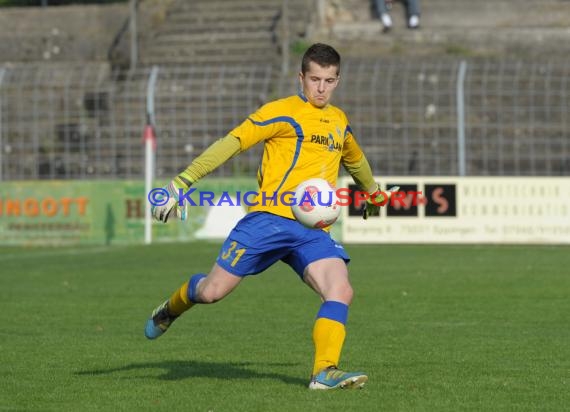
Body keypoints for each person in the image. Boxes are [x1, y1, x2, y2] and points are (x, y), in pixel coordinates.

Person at [144, 43, 388, 390]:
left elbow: (355, 159)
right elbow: (232, 142)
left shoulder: (338, 120)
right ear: (300, 77)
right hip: (268, 220)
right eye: (314, 79)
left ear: (338, 80)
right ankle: (172, 307)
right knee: (212, 292)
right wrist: (182, 182)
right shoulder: (281, 111)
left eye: (329, 80)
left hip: (312, 229)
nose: (321, 88)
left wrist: (373, 192)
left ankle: (324, 372)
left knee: (341, 289)